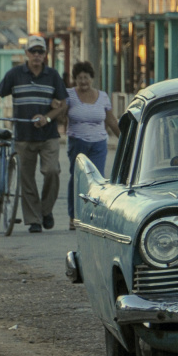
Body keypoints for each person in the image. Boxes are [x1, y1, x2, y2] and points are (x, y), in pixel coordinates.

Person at [0, 35, 67, 234]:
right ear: (26, 53)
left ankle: (45, 211)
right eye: (33, 51)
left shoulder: (52, 75)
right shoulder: (15, 74)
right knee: (26, 179)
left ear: (45, 54)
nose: (37, 55)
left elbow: (63, 104)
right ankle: (34, 220)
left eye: (40, 52)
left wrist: (48, 118)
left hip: (48, 136)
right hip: (24, 136)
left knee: (52, 171)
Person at [64, 61, 120, 230]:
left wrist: (124, 138)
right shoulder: (69, 95)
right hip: (77, 142)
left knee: (97, 180)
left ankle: (93, 216)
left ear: (91, 78)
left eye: (86, 78)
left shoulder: (102, 96)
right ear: (75, 79)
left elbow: (110, 120)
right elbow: (60, 114)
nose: (83, 81)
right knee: (78, 179)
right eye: (79, 78)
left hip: (99, 143)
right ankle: (74, 216)